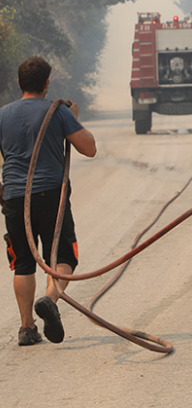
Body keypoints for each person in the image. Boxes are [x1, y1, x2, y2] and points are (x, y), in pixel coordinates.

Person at [0, 56, 96, 346]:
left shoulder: (3, 114)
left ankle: (27, 328)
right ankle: (50, 300)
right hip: (51, 196)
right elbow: (89, 148)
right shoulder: (58, 111)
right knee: (64, 258)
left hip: (15, 198)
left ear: (19, 84)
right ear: (46, 83)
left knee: (23, 265)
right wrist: (74, 117)